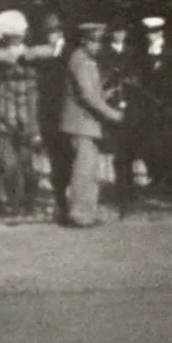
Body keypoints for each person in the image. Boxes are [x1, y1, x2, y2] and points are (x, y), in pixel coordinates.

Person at [53, 19, 124, 227]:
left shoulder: (84, 60)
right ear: (85, 42)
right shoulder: (82, 60)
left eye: (99, 42)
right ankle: (79, 213)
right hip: (81, 121)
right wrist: (112, 114)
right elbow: (87, 96)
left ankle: (88, 212)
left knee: (90, 167)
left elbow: (92, 91)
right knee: (84, 170)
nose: (98, 46)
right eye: (94, 42)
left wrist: (105, 92)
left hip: (86, 122)